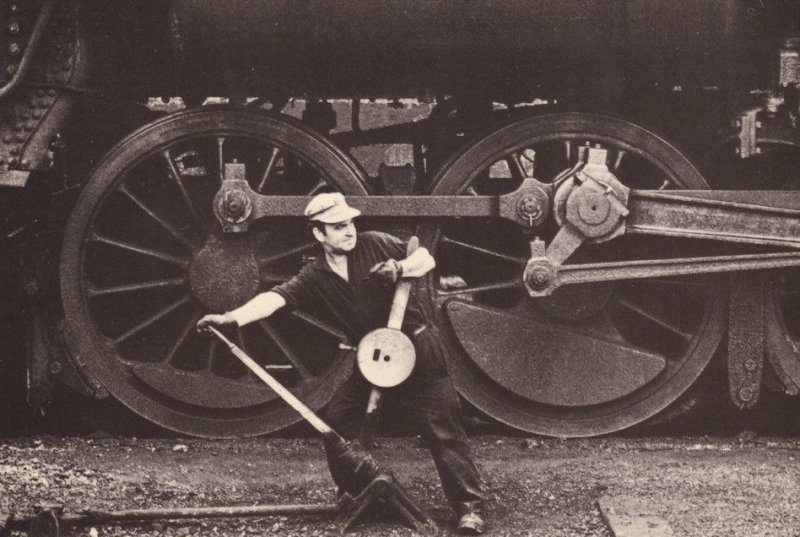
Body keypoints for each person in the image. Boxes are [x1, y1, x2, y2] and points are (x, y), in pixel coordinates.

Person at [197, 192, 486, 534]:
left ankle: (469, 507)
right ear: (319, 234)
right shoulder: (314, 276)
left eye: (349, 222)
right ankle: (360, 492)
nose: (349, 230)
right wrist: (230, 318)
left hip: (416, 347)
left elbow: (425, 258)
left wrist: (400, 267)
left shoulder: (376, 244)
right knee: (339, 420)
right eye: (338, 226)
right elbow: (273, 300)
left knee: (443, 425)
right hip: (372, 355)